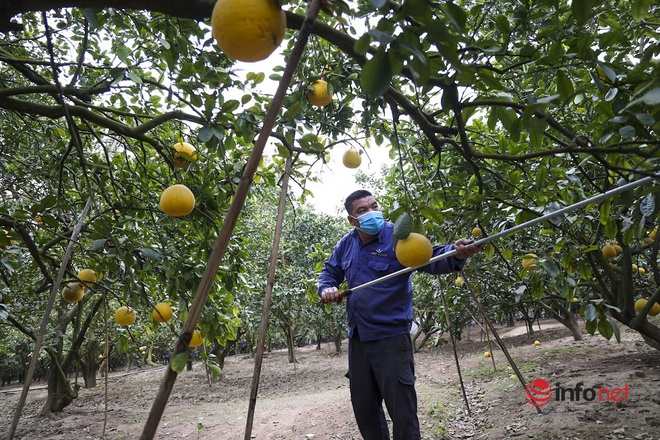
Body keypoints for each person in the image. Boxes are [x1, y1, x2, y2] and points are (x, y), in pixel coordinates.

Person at [317, 189, 482, 440]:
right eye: (363, 210)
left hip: (391, 338)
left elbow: (430, 256)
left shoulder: (397, 236)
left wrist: (456, 253)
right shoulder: (346, 244)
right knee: (365, 409)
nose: (372, 213)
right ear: (352, 219)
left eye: (374, 206)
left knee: (402, 412)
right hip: (359, 337)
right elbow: (329, 272)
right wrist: (327, 287)